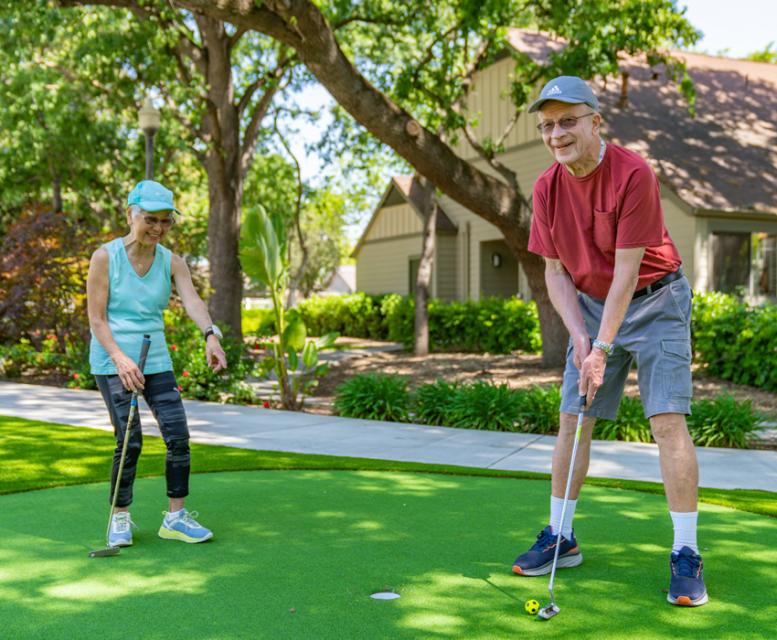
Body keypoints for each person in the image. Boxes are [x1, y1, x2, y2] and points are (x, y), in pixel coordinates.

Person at [511, 76, 707, 607]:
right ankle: (561, 537)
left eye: (568, 121)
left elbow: (626, 273)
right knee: (573, 420)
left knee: (667, 421)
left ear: (596, 122)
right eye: (548, 126)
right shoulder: (547, 187)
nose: (557, 134)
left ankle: (686, 553)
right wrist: (580, 337)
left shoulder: (633, 173)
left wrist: (601, 348)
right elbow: (554, 272)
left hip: (656, 299)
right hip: (594, 305)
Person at [87, 180, 227, 548]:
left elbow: (193, 301)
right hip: (112, 360)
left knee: (178, 437)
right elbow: (97, 319)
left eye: (166, 221)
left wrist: (210, 334)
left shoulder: (172, 261)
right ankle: (120, 517)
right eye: (150, 219)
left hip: (156, 358)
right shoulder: (105, 257)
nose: (158, 228)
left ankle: (175, 518)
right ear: (130, 214)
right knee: (129, 440)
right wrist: (119, 359)